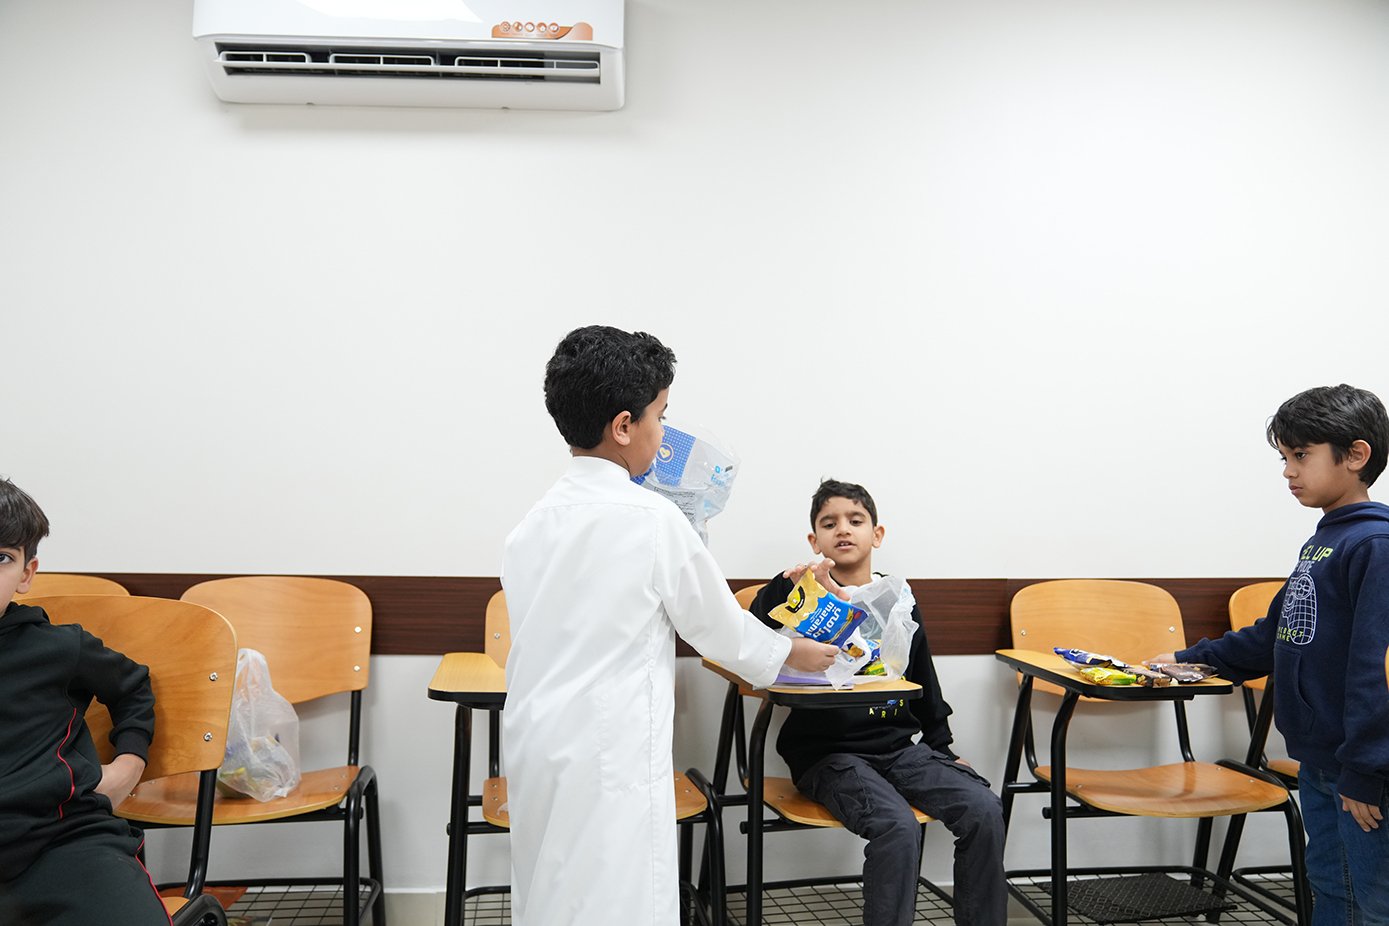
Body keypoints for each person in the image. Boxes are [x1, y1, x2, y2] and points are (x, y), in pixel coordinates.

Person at [501, 326, 839, 926]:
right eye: (660, 415)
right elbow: (719, 629)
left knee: (551, 887)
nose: (664, 432)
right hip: (611, 748)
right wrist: (791, 651)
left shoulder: (531, 525)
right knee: (617, 896)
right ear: (623, 426)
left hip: (538, 740)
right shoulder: (651, 519)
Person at [1156, 384, 1389, 926]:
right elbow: (1275, 635)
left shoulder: (1374, 547)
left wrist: (1366, 769)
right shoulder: (1325, 543)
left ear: (1356, 455)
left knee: (1374, 903)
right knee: (1332, 888)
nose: (1288, 472)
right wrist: (1188, 659)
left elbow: (1374, 670)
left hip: (1364, 771)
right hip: (1323, 760)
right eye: (1284, 458)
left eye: (1301, 455)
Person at [749, 479, 1007, 926]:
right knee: (897, 826)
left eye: (855, 520)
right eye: (829, 523)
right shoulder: (802, 594)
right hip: (827, 756)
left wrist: (942, 748)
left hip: (898, 749)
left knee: (984, 808)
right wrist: (784, 585)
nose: (843, 529)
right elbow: (752, 628)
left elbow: (922, 675)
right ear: (814, 540)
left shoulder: (898, 600)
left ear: (877, 534)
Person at [0, 478, 166, 926]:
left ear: (26, 574)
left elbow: (133, 687)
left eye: (2, 558)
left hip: (62, 839)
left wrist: (129, 764)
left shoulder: (60, 647)